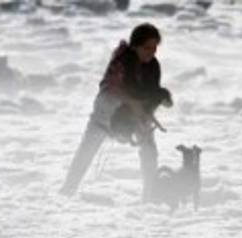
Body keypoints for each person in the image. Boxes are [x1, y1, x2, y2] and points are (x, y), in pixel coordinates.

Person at [60, 24, 174, 199]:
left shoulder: (153, 66)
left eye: (154, 48)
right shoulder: (122, 60)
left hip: (134, 114)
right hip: (106, 110)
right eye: (147, 48)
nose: (151, 52)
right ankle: (67, 192)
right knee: (87, 149)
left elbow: (150, 92)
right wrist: (132, 104)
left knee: (149, 148)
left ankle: (149, 196)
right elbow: (111, 87)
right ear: (135, 45)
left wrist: (150, 109)